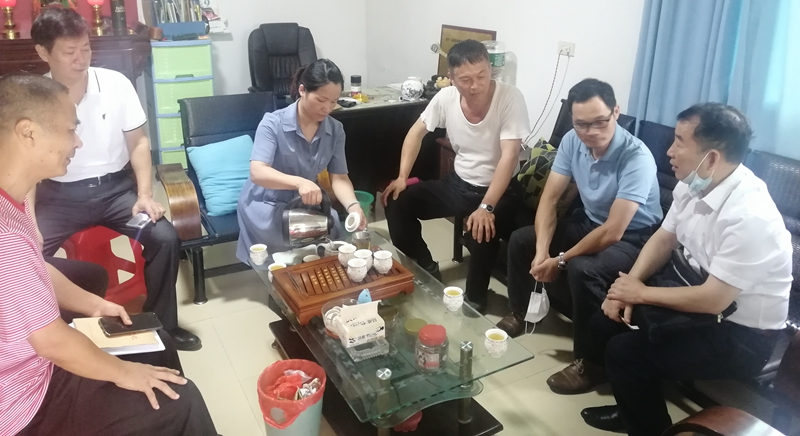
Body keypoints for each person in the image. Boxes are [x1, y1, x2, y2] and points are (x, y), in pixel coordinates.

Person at [0, 73, 217, 436]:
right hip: (25, 401)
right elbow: (51, 341)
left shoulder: (15, 198)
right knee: (183, 401)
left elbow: (34, 269)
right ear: (28, 133)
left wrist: (94, 305)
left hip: (36, 362)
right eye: (70, 131)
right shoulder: (6, 238)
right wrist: (124, 373)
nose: (78, 142)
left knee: (158, 341)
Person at [580, 103, 792, 436]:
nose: (669, 150)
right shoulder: (695, 183)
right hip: (699, 296)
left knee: (626, 354)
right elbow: (664, 238)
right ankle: (632, 407)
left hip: (741, 334)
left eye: (679, 141)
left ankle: (650, 428)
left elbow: (714, 300)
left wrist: (641, 293)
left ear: (711, 158)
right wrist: (628, 287)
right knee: (605, 321)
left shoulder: (750, 217)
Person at [30, 7, 200, 351]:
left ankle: (164, 326)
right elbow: (29, 166)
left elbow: (138, 143)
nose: (81, 59)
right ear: (43, 52)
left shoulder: (115, 84)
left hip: (116, 193)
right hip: (59, 196)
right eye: (69, 52)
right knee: (24, 255)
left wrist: (144, 194)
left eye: (86, 48)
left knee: (165, 237)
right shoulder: (35, 97)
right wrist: (30, 222)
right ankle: (54, 329)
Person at [497, 78, 662, 395]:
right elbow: (549, 199)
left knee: (582, 269)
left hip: (633, 238)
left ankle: (592, 363)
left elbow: (613, 231)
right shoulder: (573, 141)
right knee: (522, 241)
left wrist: (560, 259)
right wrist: (542, 251)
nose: (591, 132)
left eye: (600, 122)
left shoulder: (636, 158)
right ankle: (521, 312)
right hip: (589, 222)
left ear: (616, 112)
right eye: (581, 124)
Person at [382, 39, 530, 311]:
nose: (475, 85)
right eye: (465, 80)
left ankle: (475, 299)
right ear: (451, 78)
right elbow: (416, 133)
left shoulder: (510, 97)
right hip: (459, 184)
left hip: (500, 191)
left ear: (490, 70)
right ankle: (426, 267)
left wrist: (486, 206)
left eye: (482, 76)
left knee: (481, 230)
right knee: (397, 201)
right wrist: (402, 176)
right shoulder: (446, 98)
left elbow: (509, 156)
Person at [237, 59, 367, 262]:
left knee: (332, 230)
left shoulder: (335, 130)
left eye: (333, 101)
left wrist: (353, 206)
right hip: (268, 202)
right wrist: (300, 183)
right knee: (287, 247)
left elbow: (339, 177)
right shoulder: (273, 123)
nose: (327, 108)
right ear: (302, 90)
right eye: (321, 100)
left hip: (308, 201)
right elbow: (258, 172)